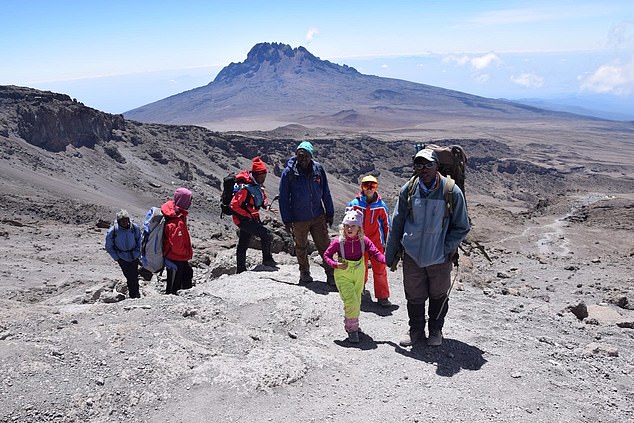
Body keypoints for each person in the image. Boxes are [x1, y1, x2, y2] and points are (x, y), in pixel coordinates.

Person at [385, 148, 470, 347]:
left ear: (436, 166)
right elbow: (397, 223)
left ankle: (435, 330)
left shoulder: (451, 191)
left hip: (439, 258)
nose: (423, 169)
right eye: (419, 165)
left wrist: (444, 247)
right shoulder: (409, 189)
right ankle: (415, 330)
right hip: (413, 255)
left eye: (428, 164)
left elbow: (462, 226)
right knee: (414, 295)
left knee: (438, 296)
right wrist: (390, 255)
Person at [323, 208, 386, 343]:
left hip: (358, 273)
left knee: (356, 301)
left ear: (359, 228)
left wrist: (386, 260)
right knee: (351, 301)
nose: (349, 229)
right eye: (347, 226)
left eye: (353, 226)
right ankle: (352, 330)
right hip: (343, 274)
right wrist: (335, 264)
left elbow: (375, 252)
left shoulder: (364, 241)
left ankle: (352, 323)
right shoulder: (338, 242)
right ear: (343, 227)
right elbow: (326, 255)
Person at [279, 141, 336, 285]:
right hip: (299, 218)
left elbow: (326, 192)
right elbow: (284, 198)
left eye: (306, 155)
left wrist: (330, 212)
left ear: (311, 156)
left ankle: (331, 274)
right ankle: (304, 273)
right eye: (300, 155)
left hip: (318, 216)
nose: (303, 158)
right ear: (296, 155)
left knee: (324, 246)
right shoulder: (289, 172)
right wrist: (287, 220)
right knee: (301, 246)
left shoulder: (318, 169)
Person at [348, 175, 391, 307]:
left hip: (376, 242)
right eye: (367, 185)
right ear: (362, 187)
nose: (369, 188)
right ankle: (359, 291)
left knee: (380, 269)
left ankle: (382, 296)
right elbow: (347, 222)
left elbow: (386, 225)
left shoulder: (380, 206)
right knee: (360, 268)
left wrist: (388, 243)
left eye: (373, 186)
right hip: (359, 241)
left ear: (376, 187)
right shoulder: (354, 204)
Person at [230, 156, 278, 273]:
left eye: (265, 176)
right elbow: (233, 205)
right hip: (244, 220)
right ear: (256, 174)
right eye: (262, 176)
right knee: (267, 235)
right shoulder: (245, 188)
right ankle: (267, 260)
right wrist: (246, 215)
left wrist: (266, 206)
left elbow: (261, 196)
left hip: (251, 218)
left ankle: (240, 269)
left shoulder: (255, 185)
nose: (264, 178)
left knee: (243, 242)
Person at [161, 187, 194, 295]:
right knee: (174, 285)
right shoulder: (176, 220)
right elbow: (176, 245)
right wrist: (186, 253)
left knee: (187, 273)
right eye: (189, 200)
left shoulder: (176, 214)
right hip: (175, 257)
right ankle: (170, 302)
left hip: (177, 257)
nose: (190, 203)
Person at [105, 209, 142, 298]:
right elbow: (109, 246)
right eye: (122, 221)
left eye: (126, 220)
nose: (124, 222)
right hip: (122, 257)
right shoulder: (113, 231)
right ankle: (134, 295)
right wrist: (117, 257)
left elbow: (139, 240)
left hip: (134, 255)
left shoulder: (134, 228)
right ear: (118, 221)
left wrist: (138, 252)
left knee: (134, 275)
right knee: (129, 276)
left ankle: (135, 294)